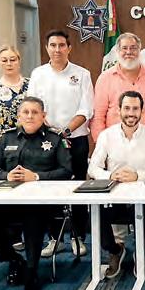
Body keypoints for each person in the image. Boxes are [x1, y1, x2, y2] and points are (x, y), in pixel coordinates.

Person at [0, 97, 72, 290]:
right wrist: (7, 176)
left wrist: (36, 177)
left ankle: (31, 271)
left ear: (43, 116)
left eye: (35, 112)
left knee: (32, 216)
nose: (30, 116)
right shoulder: (7, 138)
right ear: (19, 116)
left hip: (43, 201)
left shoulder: (55, 139)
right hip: (10, 199)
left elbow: (66, 171)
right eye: (25, 112)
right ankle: (13, 259)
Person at [27, 29, 93, 257]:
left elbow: (86, 109)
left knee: (78, 189)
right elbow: (32, 107)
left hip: (76, 139)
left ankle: (78, 237)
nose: (57, 49)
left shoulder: (82, 74)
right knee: (50, 188)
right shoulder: (38, 74)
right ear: (47, 48)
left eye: (62, 45)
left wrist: (65, 131)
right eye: (53, 45)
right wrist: (50, 133)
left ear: (69, 48)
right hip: (46, 141)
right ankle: (55, 238)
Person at [88, 91, 145, 279]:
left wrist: (137, 176)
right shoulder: (106, 135)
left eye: (135, 109)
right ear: (119, 110)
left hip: (142, 194)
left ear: (142, 111)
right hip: (114, 193)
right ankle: (115, 250)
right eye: (127, 108)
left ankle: (140, 254)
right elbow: (93, 168)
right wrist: (110, 175)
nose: (131, 113)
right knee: (96, 211)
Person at [91, 32, 145, 140]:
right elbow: (98, 117)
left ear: (140, 50)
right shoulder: (105, 78)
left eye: (133, 48)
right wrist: (101, 143)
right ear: (117, 51)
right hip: (114, 141)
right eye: (124, 48)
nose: (129, 52)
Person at [0, 45, 30, 149]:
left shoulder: (31, 85)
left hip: (31, 143)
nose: (9, 64)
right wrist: (7, 142)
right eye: (4, 60)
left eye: (13, 60)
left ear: (19, 61)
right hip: (4, 146)